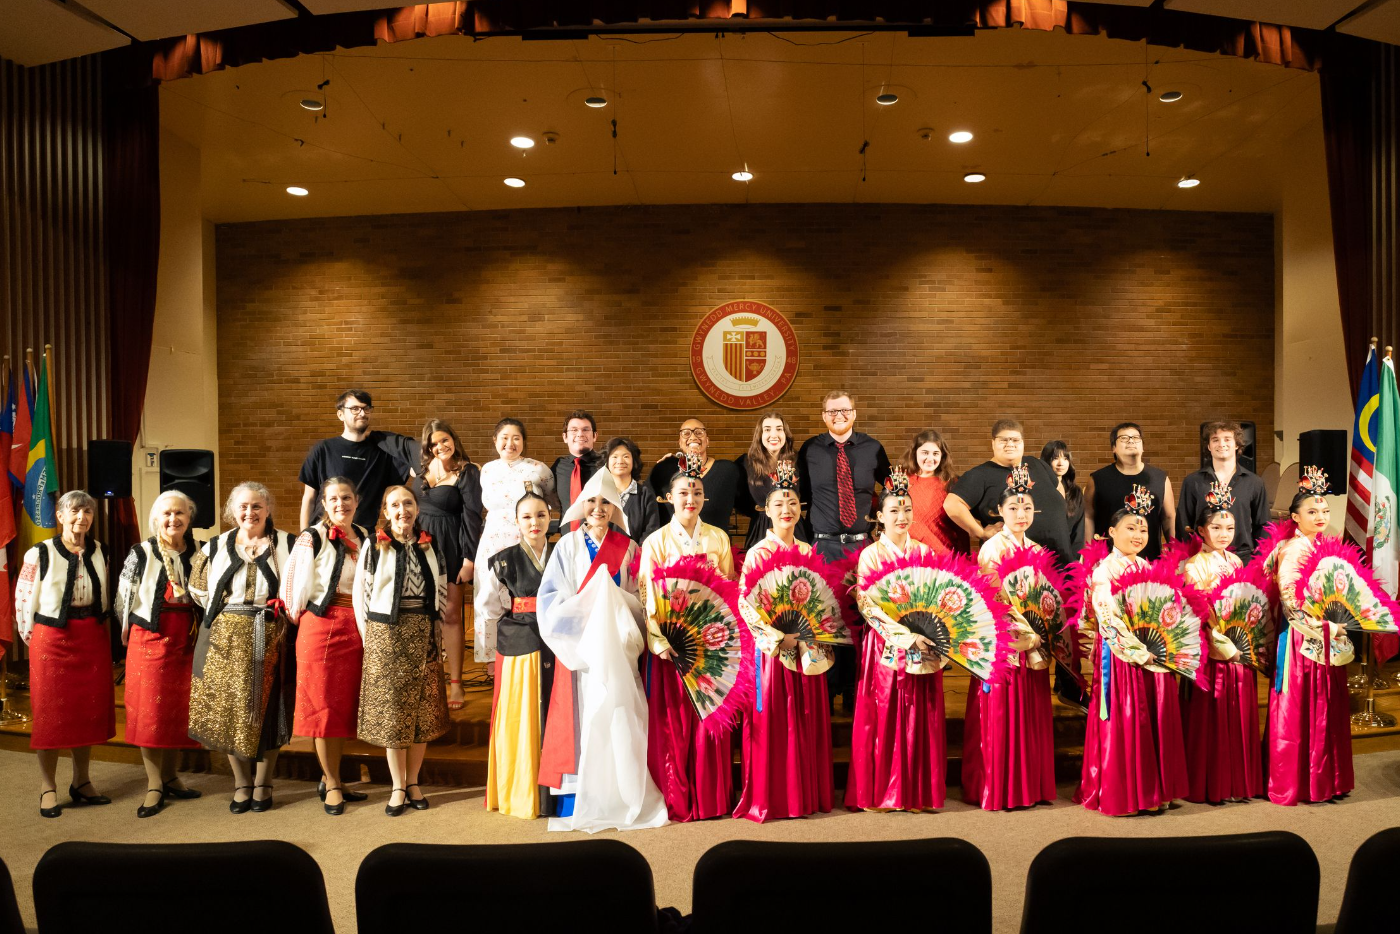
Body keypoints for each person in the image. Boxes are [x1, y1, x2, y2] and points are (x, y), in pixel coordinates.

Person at [537, 469, 668, 832]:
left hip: (618, 648)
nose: (598, 508)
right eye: (592, 501)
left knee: (621, 715)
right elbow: (551, 601)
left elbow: (642, 602)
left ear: (615, 508)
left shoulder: (629, 549)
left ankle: (623, 793)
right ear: (581, 505)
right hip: (582, 652)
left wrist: (612, 599)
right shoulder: (566, 546)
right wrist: (589, 603)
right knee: (584, 718)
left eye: (606, 502)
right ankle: (580, 797)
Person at [1075, 491, 1189, 816]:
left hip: (1154, 658)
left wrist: (1167, 644)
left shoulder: (1148, 567)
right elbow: (1106, 618)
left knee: (1155, 721)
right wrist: (1139, 652)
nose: (1138, 535)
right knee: (1127, 722)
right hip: (1122, 658)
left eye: (1143, 529)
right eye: (1130, 528)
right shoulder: (1103, 572)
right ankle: (1126, 794)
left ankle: (1156, 791)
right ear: (1111, 532)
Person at [638, 453, 737, 822]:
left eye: (696, 491)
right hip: (672, 648)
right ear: (668, 497)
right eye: (683, 492)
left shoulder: (718, 538)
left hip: (711, 644)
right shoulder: (657, 542)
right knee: (675, 724)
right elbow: (647, 596)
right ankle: (677, 799)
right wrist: (660, 640)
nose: (690, 498)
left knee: (709, 723)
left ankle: (712, 799)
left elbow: (727, 589)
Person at [189, 481, 297, 814]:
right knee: (229, 710)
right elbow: (198, 588)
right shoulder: (215, 546)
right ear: (232, 511)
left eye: (256, 507)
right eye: (243, 507)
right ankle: (241, 783)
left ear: (268, 509)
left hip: (270, 635)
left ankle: (263, 782)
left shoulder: (289, 545)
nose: (249, 513)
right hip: (224, 639)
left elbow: (299, 585)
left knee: (270, 710)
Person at [734, 463, 834, 822]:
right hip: (773, 654)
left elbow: (822, 604)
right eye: (779, 503)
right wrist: (779, 637)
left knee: (803, 721)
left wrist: (807, 635)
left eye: (792, 502)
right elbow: (746, 605)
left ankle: (803, 794)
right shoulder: (758, 553)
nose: (786, 509)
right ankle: (774, 796)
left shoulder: (809, 552)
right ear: (766, 510)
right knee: (774, 723)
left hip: (805, 649)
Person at [845, 468, 946, 812]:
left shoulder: (925, 553)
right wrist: (905, 637)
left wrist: (928, 633)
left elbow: (939, 599)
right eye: (893, 510)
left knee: (922, 713)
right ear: (879, 517)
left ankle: (918, 791)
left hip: (924, 644)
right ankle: (885, 791)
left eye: (906, 509)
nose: (902, 517)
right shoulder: (871, 555)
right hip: (887, 644)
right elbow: (866, 604)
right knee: (884, 713)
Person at [15, 490, 114, 818]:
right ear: (59, 516)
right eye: (73, 512)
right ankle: (48, 787)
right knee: (49, 714)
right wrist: (35, 641)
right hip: (53, 639)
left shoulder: (100, 550)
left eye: (86, 512)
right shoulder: (39, 553)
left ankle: (82, 782)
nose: (80, 518)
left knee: (86, 713)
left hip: (92, 638)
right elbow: (24, 600)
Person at [353, 485, 451, 816]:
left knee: (421, 713)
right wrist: (370, 639)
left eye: (408, 503)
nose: (402, 510)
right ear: (385, 511)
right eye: (394, 504)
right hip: (387, 635)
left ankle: (414, 783)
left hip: (424, 631)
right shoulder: (374, 545)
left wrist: (437, 635)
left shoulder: (430, 545)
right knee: (395, 713)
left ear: (417, 508)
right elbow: (361, 595)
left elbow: (441, 588)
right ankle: (397, 785)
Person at [963, 466, 1056, 811]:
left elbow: (1044, 602)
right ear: (999, 512)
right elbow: (994, 600)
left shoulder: (1036, 548)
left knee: (1029, 713)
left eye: (1027, 508)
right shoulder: (991, 548)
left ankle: (1028, 783)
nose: (1021, 514)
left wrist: (1041, 632)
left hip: (1032, 643)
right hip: (1006, 641)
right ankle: (999, 785)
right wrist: (1025, 632)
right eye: (1013, 508)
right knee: (1002, 712)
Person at [1264, 468, 1354, 806]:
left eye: (1325, 511)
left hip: (1330, 639)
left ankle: (1328, 778)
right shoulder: (1292, 550)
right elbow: (1290, 602)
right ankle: (1299, 781)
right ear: (1295, 516)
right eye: (1312, 511)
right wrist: (1326, 628)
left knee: (1327, 707)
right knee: (1301, 710)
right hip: (1303, 641)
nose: (1320, 516)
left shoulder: (1328, 546)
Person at [281, 477, 370, 816]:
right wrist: (305, 621)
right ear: (323, 502)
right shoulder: (312, 537)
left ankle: (333, 777)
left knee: (342, 709)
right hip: (321, 628)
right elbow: (292, 589)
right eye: (333, 498)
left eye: (346, 497)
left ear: (356, 500)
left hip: (356, 627)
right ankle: (331, 781)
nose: (340, 504)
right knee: (322, 709)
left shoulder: (364, 536)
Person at [797, 391, 890, 711]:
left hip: (861, 547)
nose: (839, 415)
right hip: (822, 545)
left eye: (845, 410)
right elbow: (801, 497)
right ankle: (828, 685)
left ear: (854, 412)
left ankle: (855, 687)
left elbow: (892, 490)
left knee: (861, 617)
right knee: (825, 617)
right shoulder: (810, 449)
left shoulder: (873, 448)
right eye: (832, 411)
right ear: (823, 416)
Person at [115, 490, 202, 819]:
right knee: (151, 712)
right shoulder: (142, 552)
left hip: (187, 640)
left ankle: (171, 776)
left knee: (178, 712)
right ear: (156, 519)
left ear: (188, 518)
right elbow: (124, 596)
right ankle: (154, 784)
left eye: (179, 513)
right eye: (166, 513)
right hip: (150, 638)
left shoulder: (199, 551)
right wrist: (125, 635)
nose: (173, 519)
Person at [1181, 483, 1262, 804]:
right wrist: (1219, 637)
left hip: (1238, 648)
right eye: (1216, 527)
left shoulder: (1237, 563)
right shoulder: (1192, 567)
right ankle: (1211, 782)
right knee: (1212, 714)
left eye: (1230, 527)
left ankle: (1238, 781)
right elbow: (1197, 610)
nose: (1224, 533)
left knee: (1239, 712)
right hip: (1212, 648)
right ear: (1201, 530)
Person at [477, 488, 553, 819]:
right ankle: (520, 792)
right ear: (516, 522)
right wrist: (490, 653)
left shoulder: (565, 553)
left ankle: (557, 796)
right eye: (527, 516)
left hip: (559, 640)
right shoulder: (503, 559)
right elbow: (488, 608)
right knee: (522, 718)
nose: (534, 522)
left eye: (540, 515)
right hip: (519, 642)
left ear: (551, 517)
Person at [410, 419, 483, 709]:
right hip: (421, 546)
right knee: (424, 614)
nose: (441, 446)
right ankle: (429, 678)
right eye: (434, 443)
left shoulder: (467, 471)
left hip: (452, 545)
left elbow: (472, 516)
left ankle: (456, 683)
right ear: (428, 447)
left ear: (454, 439)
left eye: (445, 440)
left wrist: (469, 559)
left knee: (451, 614)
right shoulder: (419, 473)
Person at [474, 418, 557, 662]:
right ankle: (492, 659)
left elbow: (551, 500)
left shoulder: (539, 469)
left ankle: (529, 649)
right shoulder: (486, 470)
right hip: (493, 539)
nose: (510, 443)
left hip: (525, 539)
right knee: (489, 596)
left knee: (521, 597)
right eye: (504, 438)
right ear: (495, 441)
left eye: (516, 438)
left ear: (524, 442)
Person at [945, 419, 1072, 565]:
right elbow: (952, 504)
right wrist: (980, 532)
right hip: (1016, 569)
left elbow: (1058, 487)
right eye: (1003, 440)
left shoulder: (1037, 464)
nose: (1010, 444)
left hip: (1061, 558)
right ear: (993, 443)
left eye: (1015, 440)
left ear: (1023, 442)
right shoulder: (980, 475)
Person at [298, 389, 416, 531]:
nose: (362, 413)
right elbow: (309, 498)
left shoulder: (383, 452)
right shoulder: (323, 449)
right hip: (324, 533)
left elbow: (419, 468)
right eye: (355, 409)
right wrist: (304, 536)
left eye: (366, 409)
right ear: (340, 414)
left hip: (362, 535)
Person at [1176, 421, 1269, 562]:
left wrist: (1260, 561)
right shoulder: (1192, 481)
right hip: (1203, 559)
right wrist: (1185, 560)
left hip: (1243, 558)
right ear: (1209, 446)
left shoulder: (1254, 482)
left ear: (1237, 444)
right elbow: (1183, 523)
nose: (1221, 444)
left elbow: (1263, 525)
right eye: (1215, 440)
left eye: (1227, 439)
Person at [1087, 422, 1175, 561]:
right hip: (1108, 562)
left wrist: (1173, 552)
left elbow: (1169, 517)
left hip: (1150, 560)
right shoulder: (1098, 479)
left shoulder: (1160, 478)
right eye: (1124, 438)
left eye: (1135, 437)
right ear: (1113, 448)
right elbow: (1088, 517)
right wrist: (1088, 554)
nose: (1131, 441)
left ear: (1142, 447)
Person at [648, 417, 743, 531]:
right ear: (679, 442)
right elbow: (648, 508)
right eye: (686, 433)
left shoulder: (728, 471)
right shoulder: (665, 471)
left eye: (699, 432)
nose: (693, 437)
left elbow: (746, 502)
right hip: (674, 545)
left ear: (707, 441)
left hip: (714, 544)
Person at [736, 411, 798, 550]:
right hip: (760, 528)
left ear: (785, 434)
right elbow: (738, 499)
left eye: (779, 429)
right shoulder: (745, 463)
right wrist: (759, 511)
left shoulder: (798, 461)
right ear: (760, 435)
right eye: (767, 429)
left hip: (794, 529)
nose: (774, 434)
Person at [903, 428, 969, 555]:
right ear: (915, 452)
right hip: (910, 556)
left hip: (945, 556)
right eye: (925, 452)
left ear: (942, 456)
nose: (930, 458)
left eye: (935, 453)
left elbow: (961, 527)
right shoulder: (902, 482)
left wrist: (965, 559)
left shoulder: (952, 483)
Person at [605, 436, 661, 545]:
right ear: (606, 461)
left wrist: (633, 555)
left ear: (634, 461)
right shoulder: (598, 493)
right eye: (614, 457)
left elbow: (651, 533)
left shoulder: (645, 495)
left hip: (636, 558)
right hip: (600, 558)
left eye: (626, 456)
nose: (620, 461)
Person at [551, 410, 602, 520]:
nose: (580, 434)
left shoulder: (605, 465)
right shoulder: (558, 466)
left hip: (599, 534)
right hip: (567, 535)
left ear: (595, 436)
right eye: (574, 430)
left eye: (585, 429)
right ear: (565, 437)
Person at [1041, 440, 1085, 554]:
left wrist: (1073, 562)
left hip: (1068, 555)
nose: (1061, 463)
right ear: (1046, 461)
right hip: (1041, 555)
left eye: (1065, 458)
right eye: (1055, 458)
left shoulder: (1075, 492)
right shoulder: (1037, 491)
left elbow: (1078, 531)